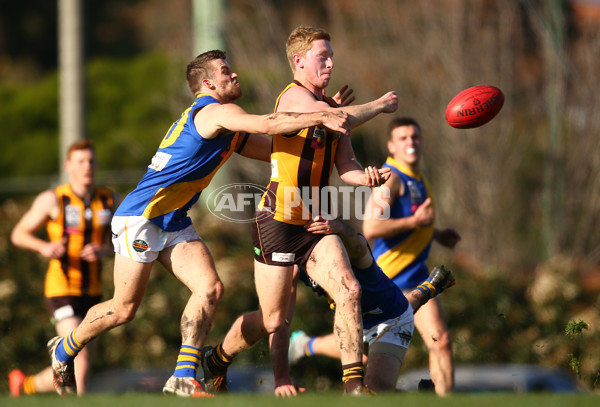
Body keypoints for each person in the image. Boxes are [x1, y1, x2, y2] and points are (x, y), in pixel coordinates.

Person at [44, 49, 353, 398]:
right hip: (141, 216)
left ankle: (182, 376)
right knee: (124, 309)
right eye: (225, 71)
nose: (234, 75)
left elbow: (279, 151)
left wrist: (321, 117)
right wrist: (324, 114)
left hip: (172, 218)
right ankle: (64, 349)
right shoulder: (215, 112)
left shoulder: (229, 128)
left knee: (210, 288)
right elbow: (269, 124)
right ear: (207, 83)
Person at [199, 25, 398, 396]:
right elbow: (335, 117)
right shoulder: (293, 99)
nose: (331, 62)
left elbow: (347, 166)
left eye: (331, 55)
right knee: (272, 318)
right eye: (323, 56)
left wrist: (368, 178)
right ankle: (217, 359)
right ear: (299, 60)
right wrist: (380, 105)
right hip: (277, 221)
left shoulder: (331, 107)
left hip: (315, 222)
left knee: (349, 289)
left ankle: (354, 385)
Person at [285, 216, 454, 393]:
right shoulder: (300, 261)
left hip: (389, 322)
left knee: (374, 392)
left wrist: (340, 227)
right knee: (364, 393)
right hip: (352, 325)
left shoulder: (351, 250)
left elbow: (358, 244)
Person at [9, 140, 118, 396]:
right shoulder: (53, 199)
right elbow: (18, 234)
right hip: (61, 288)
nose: (87, 166)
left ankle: (24, 386)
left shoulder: (109, 199)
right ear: (69, 166)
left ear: (97, 164)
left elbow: (124, 240)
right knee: (76, 359)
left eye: (91, 161)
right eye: (80, 161)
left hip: (93, 290)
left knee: (84, 363)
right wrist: (44, 247)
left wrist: (104, 250)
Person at [362, 117, 460, 395]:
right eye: (403, 138)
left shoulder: (420, 175)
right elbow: (370, 226)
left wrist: (437, 234)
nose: (411, 142)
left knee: (440, 341)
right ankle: (306, 346)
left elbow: (414, 220)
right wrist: (416, 223)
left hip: (416, 277)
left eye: (415, 137)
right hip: (388, 279)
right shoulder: (390, 178)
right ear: (391, 145)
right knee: (364, 350)